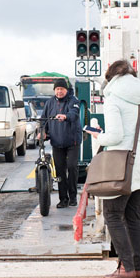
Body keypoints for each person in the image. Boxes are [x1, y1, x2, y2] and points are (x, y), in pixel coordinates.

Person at [86, 60, 140, 278]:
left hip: (122, 166)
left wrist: (98, 135)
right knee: (133, 217)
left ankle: (126, 267)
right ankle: (138, 269)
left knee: (113, 214)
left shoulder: (114, 98)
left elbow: (115, 136)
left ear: (110, 78)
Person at [41, 79, 82, 208]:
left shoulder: (73, 101)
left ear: (66, 90)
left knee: (72, 167)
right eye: (57, 89)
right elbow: (43, 120)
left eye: (62, 89)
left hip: (72, 141)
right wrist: (42, 131)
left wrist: (65, 116)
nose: (59, 91)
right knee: (60, 170)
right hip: (57, 141)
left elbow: (74, 114)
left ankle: (73, 196)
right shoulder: (50, 103)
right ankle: (63, 199)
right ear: (54, 90)